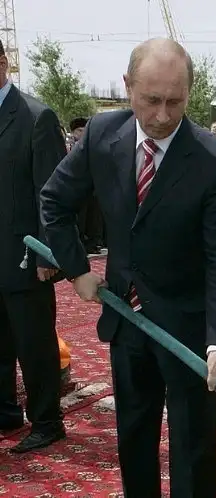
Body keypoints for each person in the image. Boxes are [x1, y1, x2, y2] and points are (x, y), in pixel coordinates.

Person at [40, 38, 216, 498]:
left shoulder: (215, 162)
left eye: (175, 101)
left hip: (188, 329)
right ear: (128, 86)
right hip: (125, 317)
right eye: (151, 99)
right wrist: (76, 271)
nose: (163, 114)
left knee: (192, 447)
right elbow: (54, 201)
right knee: (134, 437)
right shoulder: (101, 135)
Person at [0, 40, 65, 452]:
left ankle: (46, 421)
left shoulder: (36, 117)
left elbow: (51, 194)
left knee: (34, 344)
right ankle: (5, 411)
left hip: (24, 258)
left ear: (3, 62)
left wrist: (46, 253)